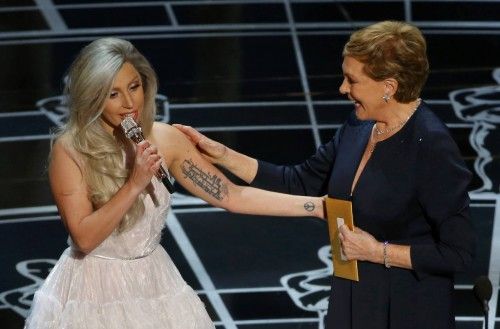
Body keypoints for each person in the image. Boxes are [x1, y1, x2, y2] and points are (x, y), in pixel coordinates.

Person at [175, 21, 476, 329]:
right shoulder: (359, 127)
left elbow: (458, 254)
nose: (343, 89)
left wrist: (378, 252)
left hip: (407, 307)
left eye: (352, 80)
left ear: (389, 86)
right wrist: (225, 156)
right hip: (352, 295)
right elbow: (299, 181)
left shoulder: (431, 146)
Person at [24, 37, 326, 329]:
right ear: (92, 96)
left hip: (154, 280)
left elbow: (232, 195)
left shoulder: (165, 139)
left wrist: (317, 207)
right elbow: (84, 239)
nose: (130, 103)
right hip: (92, 289)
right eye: (113, 94)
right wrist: (134, 184)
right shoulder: (71, 149)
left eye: (134, 87)